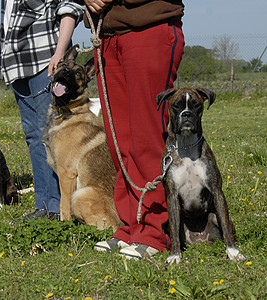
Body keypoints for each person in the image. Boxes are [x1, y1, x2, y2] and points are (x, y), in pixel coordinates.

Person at [79, 0, 185, 259]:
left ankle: (156, 230)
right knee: (120, 140)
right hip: (107, 35)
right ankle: (130, 225)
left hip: (148, 26)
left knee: (146, 136)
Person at [0, 0, 84, 221]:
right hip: (16, 61)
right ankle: (43, 205)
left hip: (45, 56)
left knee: (52, 135)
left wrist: (60, 53)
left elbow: (71, 6)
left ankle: (57, 207)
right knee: (34, 135)